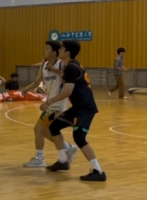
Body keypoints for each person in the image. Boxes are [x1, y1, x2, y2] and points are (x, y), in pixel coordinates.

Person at [42, 40, 107, 181]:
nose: (59, 50)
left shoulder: (71, 67)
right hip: (78, 107)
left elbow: (67, 91)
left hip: (85, 109)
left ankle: (98, 171)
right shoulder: (72, 66)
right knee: (54, 127)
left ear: (67, 52)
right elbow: (67, 76)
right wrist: (57, 71)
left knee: (79, 137)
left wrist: (48, 102)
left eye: (61, 49)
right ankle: (63, 160)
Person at [21, 41, 78, 168]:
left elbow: (69, 78)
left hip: (57, 104)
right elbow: (37, 82)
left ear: (54, 52)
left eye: (47, 49)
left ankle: (39, 158)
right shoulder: (44, 65)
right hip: (50, 103)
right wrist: (27, 89)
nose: (44, 51)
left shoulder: (61, 64)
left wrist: (56, 71)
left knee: (38, 129)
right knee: (46, 131)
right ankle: (67, 147)